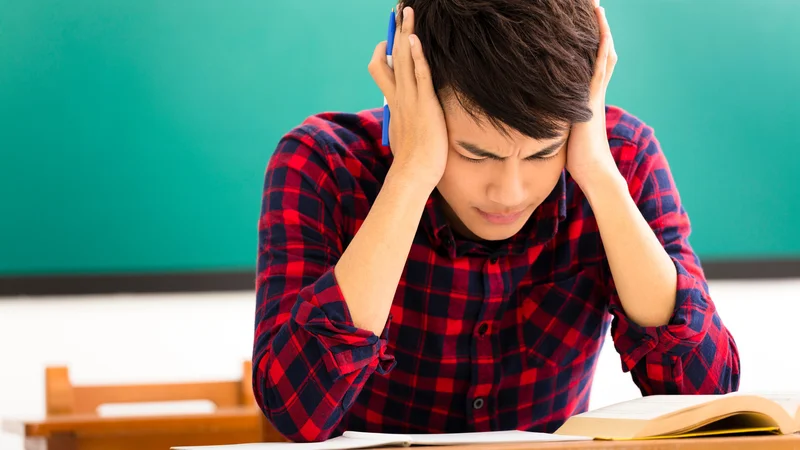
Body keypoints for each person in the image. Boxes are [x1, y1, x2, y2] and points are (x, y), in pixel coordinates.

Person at [252, 0, 740, 443]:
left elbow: (703, 391)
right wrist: (412, 173)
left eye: (541, 154)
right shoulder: (322, 165)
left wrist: (598, 176)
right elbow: (297, 413)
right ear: (406, 93)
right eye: (474, 153)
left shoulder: (620, 159)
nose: (509, 193)